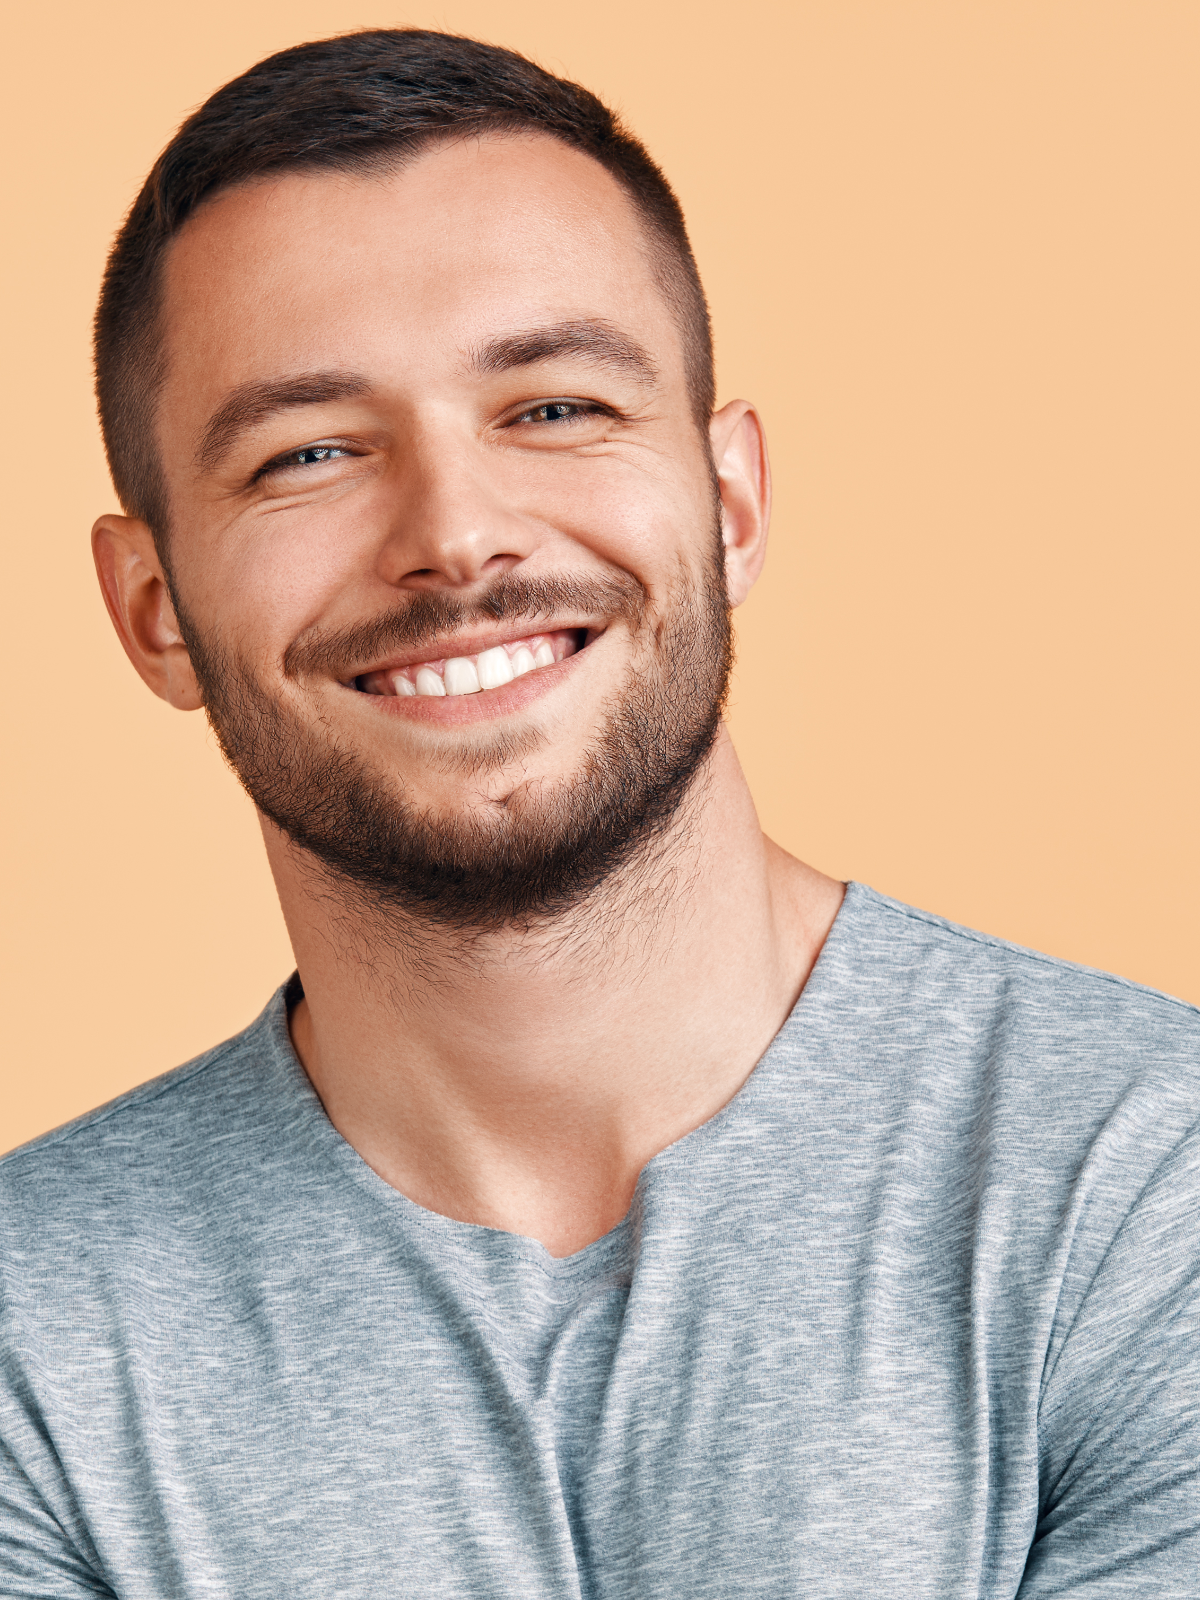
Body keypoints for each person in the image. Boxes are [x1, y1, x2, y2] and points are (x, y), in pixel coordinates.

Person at [1, 27, 1197, 1597]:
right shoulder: (32, 1348)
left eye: (554, 409)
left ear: (730, 501)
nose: (455, 537)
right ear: (152, 609)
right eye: (309, 453)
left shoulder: (1149, 1185)